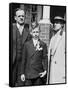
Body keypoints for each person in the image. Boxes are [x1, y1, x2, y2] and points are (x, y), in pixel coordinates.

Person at [12, 8, 31, 86]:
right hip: (12, 63)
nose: (21, 18)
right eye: (19, 16)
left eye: (23, 16)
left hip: (22, 65)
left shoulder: (28, 31)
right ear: (15, 18)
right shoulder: (10, 29)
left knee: (21, 84)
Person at [48, 16, 66, 84]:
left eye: (57, 23)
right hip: (52, 70)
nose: (55, 24)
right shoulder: (53, 37)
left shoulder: (65, 36)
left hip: (60, 72)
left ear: (62, 25)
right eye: (54, 23)